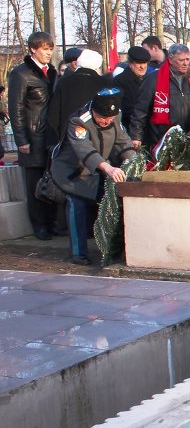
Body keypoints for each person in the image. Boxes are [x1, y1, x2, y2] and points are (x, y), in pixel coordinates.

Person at [50, 87, 137, 265]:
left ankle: (111, 249)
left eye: (110, 118)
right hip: (72, 171)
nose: (106, 122)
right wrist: (109, 168)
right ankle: (78, 253)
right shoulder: (79, 120)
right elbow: (85, 150)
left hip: (97, 170)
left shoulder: (115, 116)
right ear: (94, 111)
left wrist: (135, 162)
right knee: (77, 205)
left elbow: (123, 141)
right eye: (103, 118)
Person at [7, 30, 59, 239]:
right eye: (45, 50)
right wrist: (21, 139)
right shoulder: (21, 74)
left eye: (50, 50)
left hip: (50, 136)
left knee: (52, 179)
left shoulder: (53, 72)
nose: (48, 54)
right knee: (34, 182)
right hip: (32, 135)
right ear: (33, 50)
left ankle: (52, 222)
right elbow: (16, 108)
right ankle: (39, 225)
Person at [130, 43, 190, 153]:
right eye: (181, 60)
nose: (186, 63)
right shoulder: (153, 79)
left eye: (188, 59)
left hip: (189, 140)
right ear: (171, 59)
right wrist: (136, 136)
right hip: (160, 141)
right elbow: (140, 110)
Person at [46, 49, 108, 143]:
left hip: (68, 136)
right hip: (96, 137)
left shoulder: (64, 82)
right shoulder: (104, 83)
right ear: (97, 67)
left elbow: (54, 114)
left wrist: (53, 141)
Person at [112, 46, 151, 140]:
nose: (142, 66)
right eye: (138, 63)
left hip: (149, 130)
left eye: (144, 63)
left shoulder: (150, 79)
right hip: (129, 130)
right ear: (130, 63)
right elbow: (121, 108)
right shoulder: (120, 81)